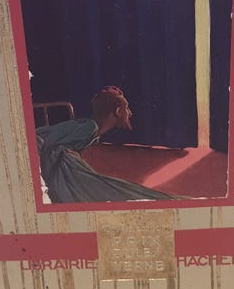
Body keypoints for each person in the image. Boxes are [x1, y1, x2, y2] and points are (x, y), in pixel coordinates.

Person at [36, 86, 173, 203]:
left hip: (65, 169)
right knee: (113, 189)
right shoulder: (90, 127)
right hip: (61, 172)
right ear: (118, 111)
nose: (130, 113)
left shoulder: (94, 133)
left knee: (115, 187)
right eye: (127, 108)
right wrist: (64, 156)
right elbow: (44, 139)